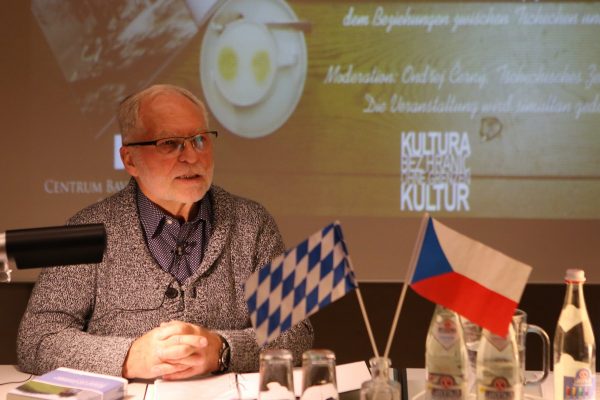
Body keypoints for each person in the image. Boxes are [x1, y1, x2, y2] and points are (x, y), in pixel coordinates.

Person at [17, 84, 313, 379]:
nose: (192, 156)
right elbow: (37, 339)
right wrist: (129, 357)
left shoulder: (253, 222)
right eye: (170, 143)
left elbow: (295, 332)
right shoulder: (87, 229)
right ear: (130, 160)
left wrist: (222, 349)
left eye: (199, 140)